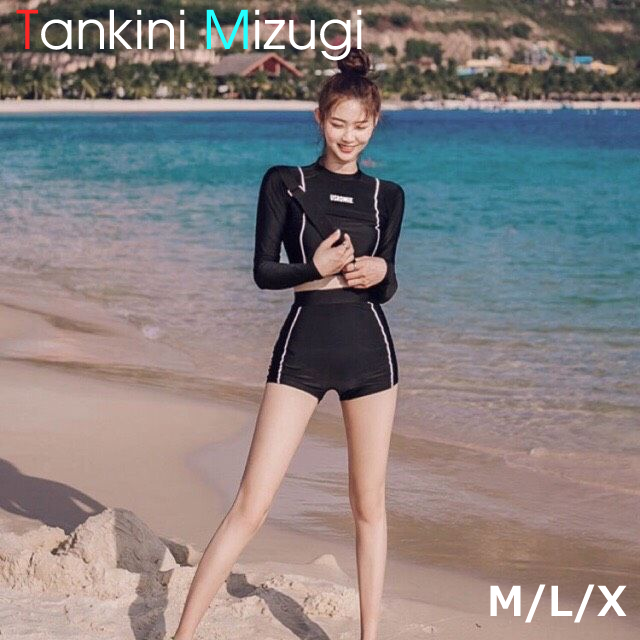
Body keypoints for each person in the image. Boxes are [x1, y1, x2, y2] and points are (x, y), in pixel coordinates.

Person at [170, 47, 405, 640]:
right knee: (251, 505)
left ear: (375, 123)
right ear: (318, 118)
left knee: (369, 507)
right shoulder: (285, 182)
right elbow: (263, 271)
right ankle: (183, 634)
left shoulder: (388, 196)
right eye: (338, 123)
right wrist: (313, 268)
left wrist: (381, 272)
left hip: (371, 357)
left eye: (360, 126)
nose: (348, 137)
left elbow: (387, 284)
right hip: (301, 352)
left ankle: (369, 635)